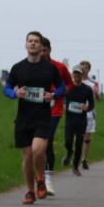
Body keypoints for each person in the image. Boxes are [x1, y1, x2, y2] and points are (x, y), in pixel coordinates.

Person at [5, 32, 66, 204]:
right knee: (27, 157)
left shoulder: (50, 68)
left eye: (36, 41)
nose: (33, 44)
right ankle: (30, 191)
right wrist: (14, 93)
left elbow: (62, 87)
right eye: (30, 41)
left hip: (43, 117)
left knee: (37, 150)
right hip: (23, 118)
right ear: (26, 45)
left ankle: (40, 179)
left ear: (41, 46)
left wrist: (53, 95)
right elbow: (7, 87)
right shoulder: (18, 68)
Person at [44, 47, 74, 187]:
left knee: (48, 139)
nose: (42, 53)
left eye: (44, 50)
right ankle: (40, 174)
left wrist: (58, 94)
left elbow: (69, 84)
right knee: (37, 145)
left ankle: (48, 177)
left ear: (49, 50)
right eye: (40, 50)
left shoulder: (60, 67)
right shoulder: (32, 66)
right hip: (36, 110)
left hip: (54, 109)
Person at [61, 65, 95, 175]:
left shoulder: (87, 89)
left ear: (82, 75)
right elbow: (61, 97)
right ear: (72, 74)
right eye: (74, 73)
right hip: (70, 120)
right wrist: (63, 105)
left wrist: (87, 108)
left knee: (79, 144)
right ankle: (69, 152)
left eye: (78, 73)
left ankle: (75, 167)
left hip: (81, 120)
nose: (76, 75)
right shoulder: (68, 87)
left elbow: (92, 105)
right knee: (68, 141)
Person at [79, 60, 101, 169]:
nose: (83, 70)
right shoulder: (75, 81)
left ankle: (84, 159)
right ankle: (76, 157)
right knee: (78, 136)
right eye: (81, 68)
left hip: (88, 112)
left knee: (87, 138)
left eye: (85, 68)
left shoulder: (93, 84)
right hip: (76, 111)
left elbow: (98, 99)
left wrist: (96, 94)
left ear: (89, 69)